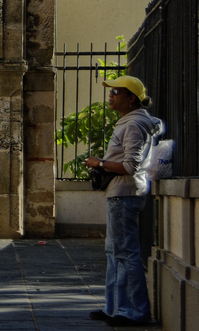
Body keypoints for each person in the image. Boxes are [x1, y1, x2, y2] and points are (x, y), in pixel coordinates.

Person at [84, 75, 164, 328]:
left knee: (126, 254)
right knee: (114, 253)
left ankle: (134, 312)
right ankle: (115, 307)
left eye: (116, 92)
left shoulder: (133, 125)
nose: (111, 95)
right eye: (111, 92)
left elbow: (131, 165)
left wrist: (99, 163)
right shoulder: (130, 121)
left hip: (125, 193)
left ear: (131, 98)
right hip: (121, 193)